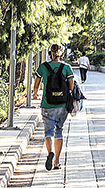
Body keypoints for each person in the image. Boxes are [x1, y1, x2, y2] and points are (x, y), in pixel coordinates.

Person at [32, 43, 76, 171]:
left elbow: (36, 84)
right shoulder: (66, 67)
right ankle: (56, 162)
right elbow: (71, 85)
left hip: (47, 103)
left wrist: (35, 94)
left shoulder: (43, 67)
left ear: (50, 53)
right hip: (62, 104)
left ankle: (50, 152)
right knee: (59, 130)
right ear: (61, 53)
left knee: (48, 132)